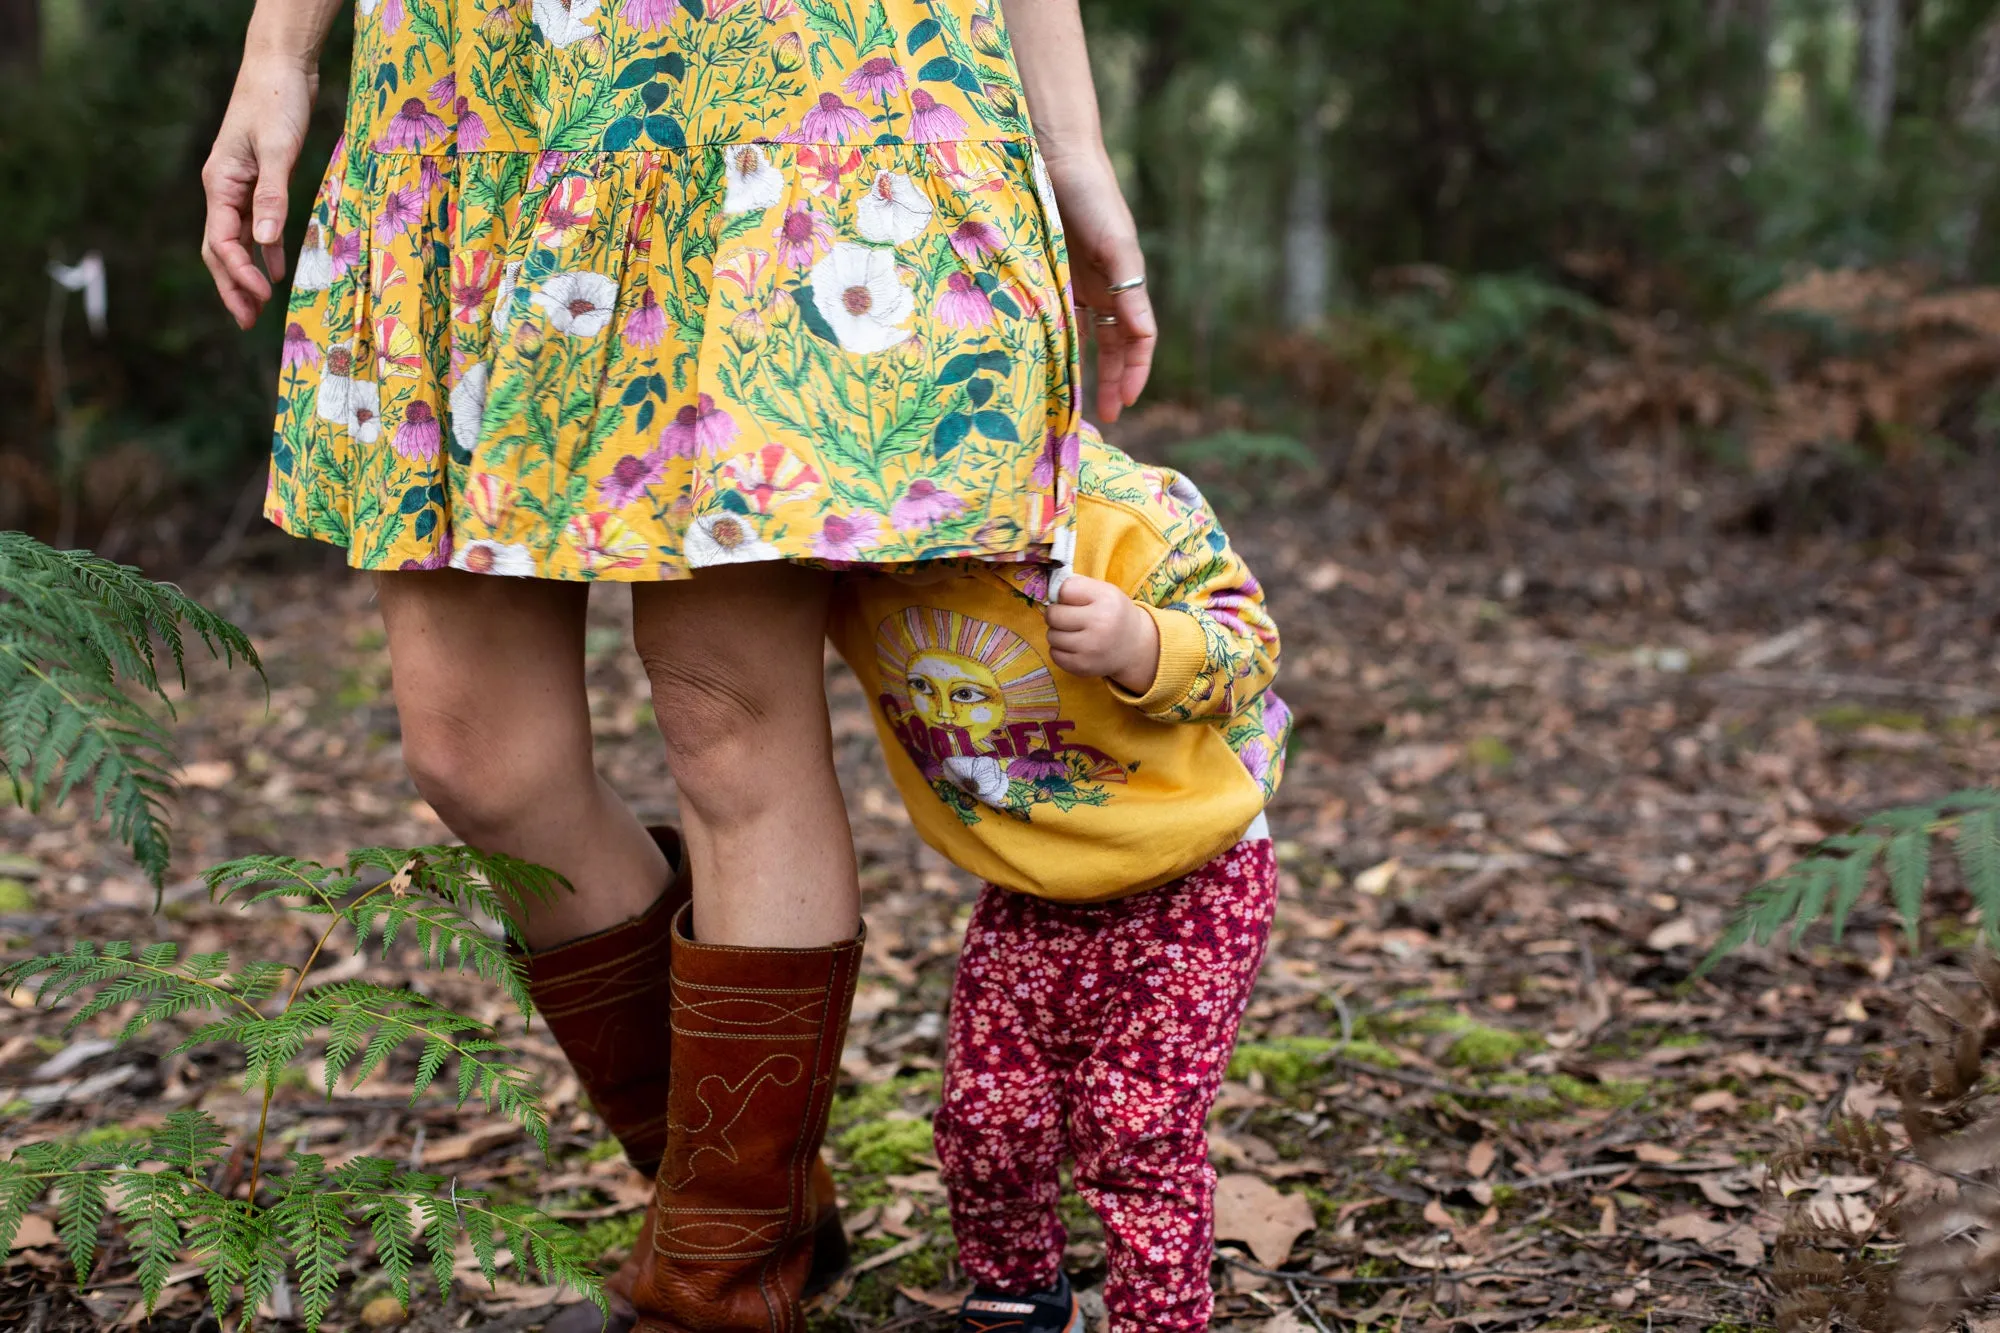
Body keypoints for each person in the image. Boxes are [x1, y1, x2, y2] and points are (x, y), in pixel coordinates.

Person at [197, 2, 1156, 1330]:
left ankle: (719, 1272)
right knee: (475, 756)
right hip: (479, 90)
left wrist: (1071, 141)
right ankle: (761, 1200)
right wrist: (278, 54)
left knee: (726, 715)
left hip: (780, 88)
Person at [828, 424, 1290, 1333]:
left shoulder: (1123, 510)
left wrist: (1143, 643)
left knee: (1138, 1121)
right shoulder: (846, 534)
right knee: (986, 1115)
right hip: (1031, 886)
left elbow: (1249, 642)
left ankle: (1159, 1314)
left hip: (1191, 872)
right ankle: (1020, 1292)